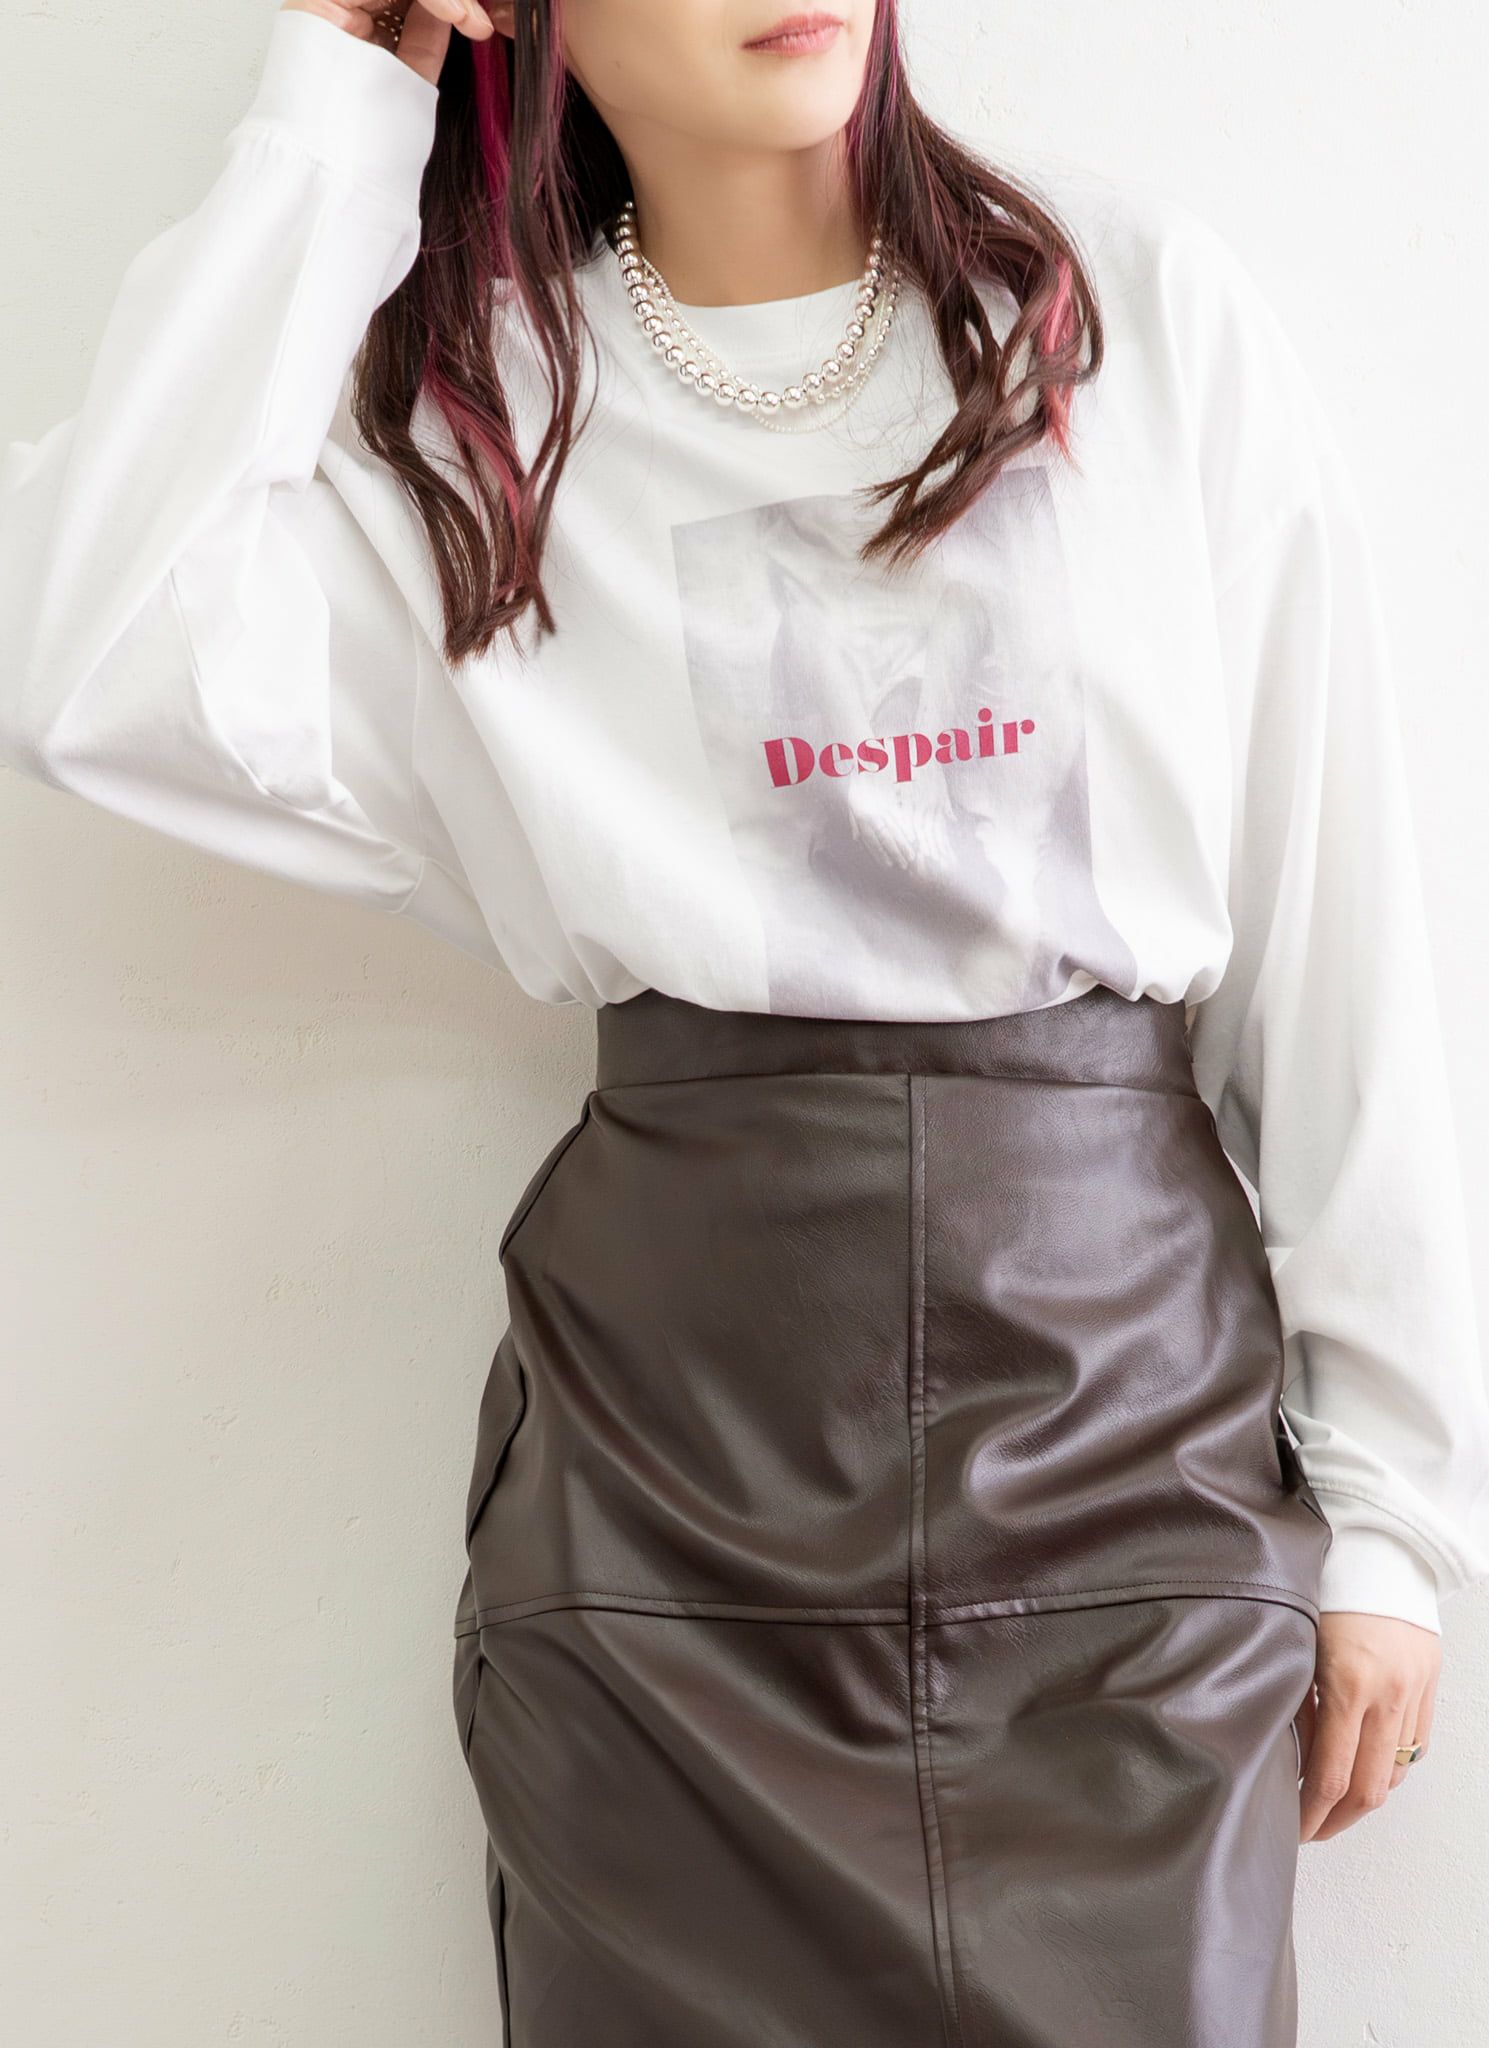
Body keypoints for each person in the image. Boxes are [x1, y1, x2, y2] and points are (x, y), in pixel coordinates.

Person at [3, 2, 1485, 2041]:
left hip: (1127, 1478)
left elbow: (1336, 929)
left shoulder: (1127, 314)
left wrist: (1392, 1512)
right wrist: (345, 84)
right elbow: (77, 655)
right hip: (669, 1509)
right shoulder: (475, 420)